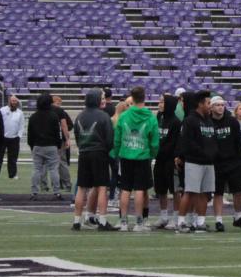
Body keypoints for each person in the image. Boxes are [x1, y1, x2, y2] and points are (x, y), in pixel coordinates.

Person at [112, 86, 159, 230]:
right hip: (142, 156)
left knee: (125, 189)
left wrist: (117, 152)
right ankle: (139, 222)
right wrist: (152, 154)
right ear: (144, 97)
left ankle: (123, 221)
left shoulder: (124, 116)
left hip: (126, 155)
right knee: (140, 189)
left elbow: (117, 138)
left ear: (131, 98)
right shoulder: (150, 117)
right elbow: (155, 141)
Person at [70, 88, 116, 230]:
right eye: (101, 97)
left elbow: (77, 137)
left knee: (82, 188)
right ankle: (102, 221)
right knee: (102, 187)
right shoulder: (103, 116)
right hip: (99, 154)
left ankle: (76, 221)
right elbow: (109, 139)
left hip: (84, 153)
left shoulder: (80, 116)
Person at [176, 91, 217, 233]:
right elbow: (189, 142)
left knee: (205, 193)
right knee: (190, 192)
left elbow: (212, 140)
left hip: (208, 162)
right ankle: (181, 222)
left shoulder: (208, 120)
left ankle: (201, 222)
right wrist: (204, 153)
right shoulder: (190, 120)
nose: (210, 106)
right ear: (200, 104)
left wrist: (213, 154)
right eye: (208, 103)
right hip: (194, 162)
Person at [209, 96, 241, 232]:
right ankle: (218, 220)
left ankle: (238, 216)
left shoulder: (232, 121)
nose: (220, 107)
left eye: (222, 105)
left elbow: (239, 142)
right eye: (217, 105)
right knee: (218, 192)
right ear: (211, 107)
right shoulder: (208, 122)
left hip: (233, 162)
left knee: (238, 191)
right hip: (216, 163)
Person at [28, 91, 65, 201]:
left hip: (37, 146)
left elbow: (30, 134)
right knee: (54, 169)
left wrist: (32, 146)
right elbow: (57, 133)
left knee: (36, 169)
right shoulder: (54, 116)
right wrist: (58, 146)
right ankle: (57, 192)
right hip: (51, 146)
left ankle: (34, 192)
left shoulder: (33, 117)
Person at [153, 93, 182, 226]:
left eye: (162, 102)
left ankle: (176, 217)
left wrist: (162, 152)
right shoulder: (158, 117)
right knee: (161, 189)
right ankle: (163, 216)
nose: (159, 104)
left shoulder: (176, 122)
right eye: (159, 102)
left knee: (175, 190)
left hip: (170, 160)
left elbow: (174, 143)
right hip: (159, 160)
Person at [0, 95, 24, 182]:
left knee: (13, 158)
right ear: (9, 101)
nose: (14, 102)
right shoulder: (2, 110)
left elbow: (21, 125)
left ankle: (12, 174)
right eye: (12, 100)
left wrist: (19, 136)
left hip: (14, 138)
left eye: (15, 101)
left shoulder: (20, 113)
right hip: (3, 138)